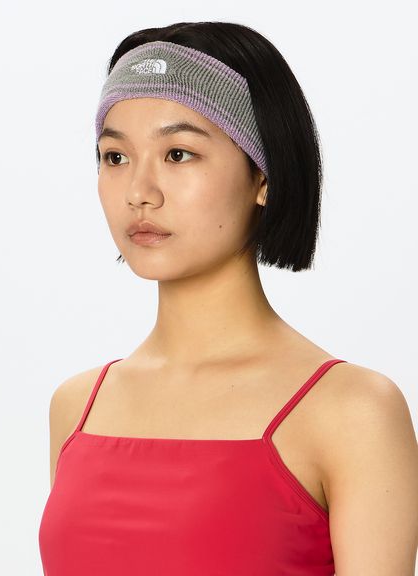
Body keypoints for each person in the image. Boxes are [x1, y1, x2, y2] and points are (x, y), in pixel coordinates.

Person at [38, 20, 418, 575]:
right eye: (115, 157)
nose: (139, 192)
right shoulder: (76, 408)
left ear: (263, 176)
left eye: (178, 154)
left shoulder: (352, 412)